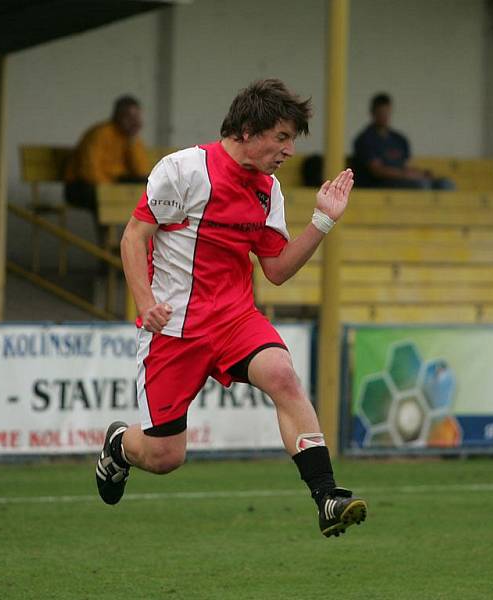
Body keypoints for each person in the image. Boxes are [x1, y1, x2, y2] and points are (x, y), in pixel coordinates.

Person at [94, 79, 367, 538]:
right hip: (175, 330)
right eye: (281, 137)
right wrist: (146, 303)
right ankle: (120, 446)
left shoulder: (269, 190)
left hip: (235, 319)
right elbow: (133, 237)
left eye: (291, 140)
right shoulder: (183, 169)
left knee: (282, 374)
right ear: (246, 130)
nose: (289, 151)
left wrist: (322, 221)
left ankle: (326, 497)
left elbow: (276, 269)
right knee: (165, 457)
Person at [64, 95, 150, 217]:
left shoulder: (133, 139)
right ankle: (107, 236)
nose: (134, 122)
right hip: (81, 185)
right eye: (129, 117)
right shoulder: (100, 134)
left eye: (137, 117)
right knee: (103, 197)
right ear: (117, 116)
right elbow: (89, 171)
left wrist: (132, 141)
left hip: (113, 183)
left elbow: (141, 172)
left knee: (148, 187)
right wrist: (111, 190)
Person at [352, 93, 454, 190]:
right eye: (381, 112)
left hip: (403, 179)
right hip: (380, 184)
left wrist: (420, 174)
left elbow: (406, 165)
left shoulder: (399, 139)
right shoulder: (366, 139)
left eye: (387, 112)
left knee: (444, 184)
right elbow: (377, 171)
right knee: (421, 185)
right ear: (373, 113)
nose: (384, 116)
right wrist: (405, 175)